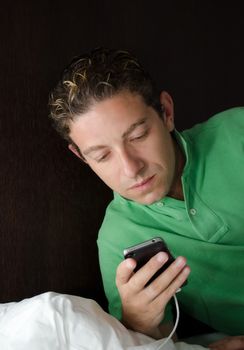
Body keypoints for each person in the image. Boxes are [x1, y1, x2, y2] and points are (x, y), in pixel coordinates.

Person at [49, 47, 244, 349]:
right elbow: (160, 342)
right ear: (81, 157)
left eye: (138, 136)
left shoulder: (238, 133)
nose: (131, 169)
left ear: (166, 112)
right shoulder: (117, 240)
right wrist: (139, 322)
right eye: (102, 156)